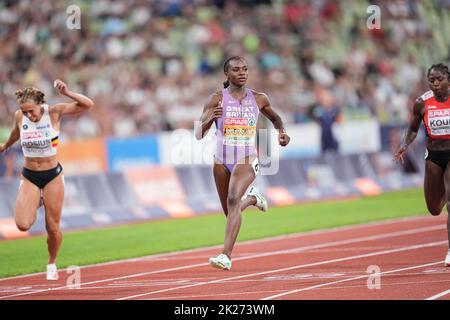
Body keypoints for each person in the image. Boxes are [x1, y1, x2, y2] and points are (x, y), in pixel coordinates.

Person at [195, 56, 290, 270]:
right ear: (227, 74)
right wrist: (211, 118)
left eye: (245, 69)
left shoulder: (259, 99)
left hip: (246, 157)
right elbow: (198, 134)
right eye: (236, 70)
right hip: (221, 160)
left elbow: (276, 119)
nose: (242, 73)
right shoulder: (216, 99)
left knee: (233, 198)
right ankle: (254, 198)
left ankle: (225, 256)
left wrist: (282, 132)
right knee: (231, 211)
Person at [0, 80, 94, 280]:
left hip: (52, 175)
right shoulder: (19, 116)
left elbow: (88, 105)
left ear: (39, 105)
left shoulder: (54, 112)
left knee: (52, 226)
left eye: (31, 111)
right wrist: (5, 145)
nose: (29, 115)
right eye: (25, 112)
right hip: (30, 175)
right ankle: (36, 199)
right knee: (23, 224)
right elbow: (16, 134)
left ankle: (51, 262)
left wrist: (68, 93)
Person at [394, 63, 450, 266]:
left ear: (448, 80)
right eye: (431, 80)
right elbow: (412, 129)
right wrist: (404, 145)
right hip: (434, 156)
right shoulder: (422, 103)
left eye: (439, 79)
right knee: (434, 208)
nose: (435, 84)